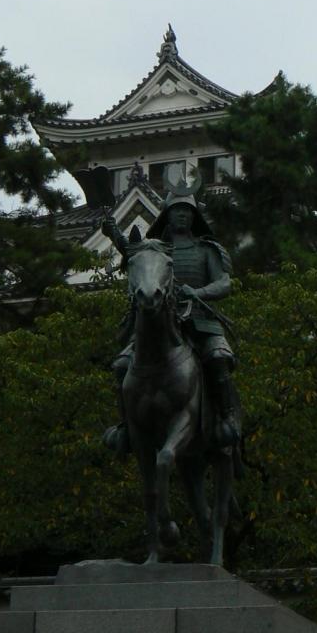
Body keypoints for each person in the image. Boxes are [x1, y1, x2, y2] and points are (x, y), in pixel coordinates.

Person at [101, 179, 239, 453]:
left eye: (187, 211)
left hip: (201, 321)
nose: (182, 215)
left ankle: (227, 418)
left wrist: (199, 291)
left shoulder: (206, 249)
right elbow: (132, 253)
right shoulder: (155, 249)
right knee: (121, 365)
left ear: (195, 217)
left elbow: (224, 283)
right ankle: (126, 425)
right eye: (177, 211)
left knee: (218, 357)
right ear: (167, 215)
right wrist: (112, 231)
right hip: (160, 322)